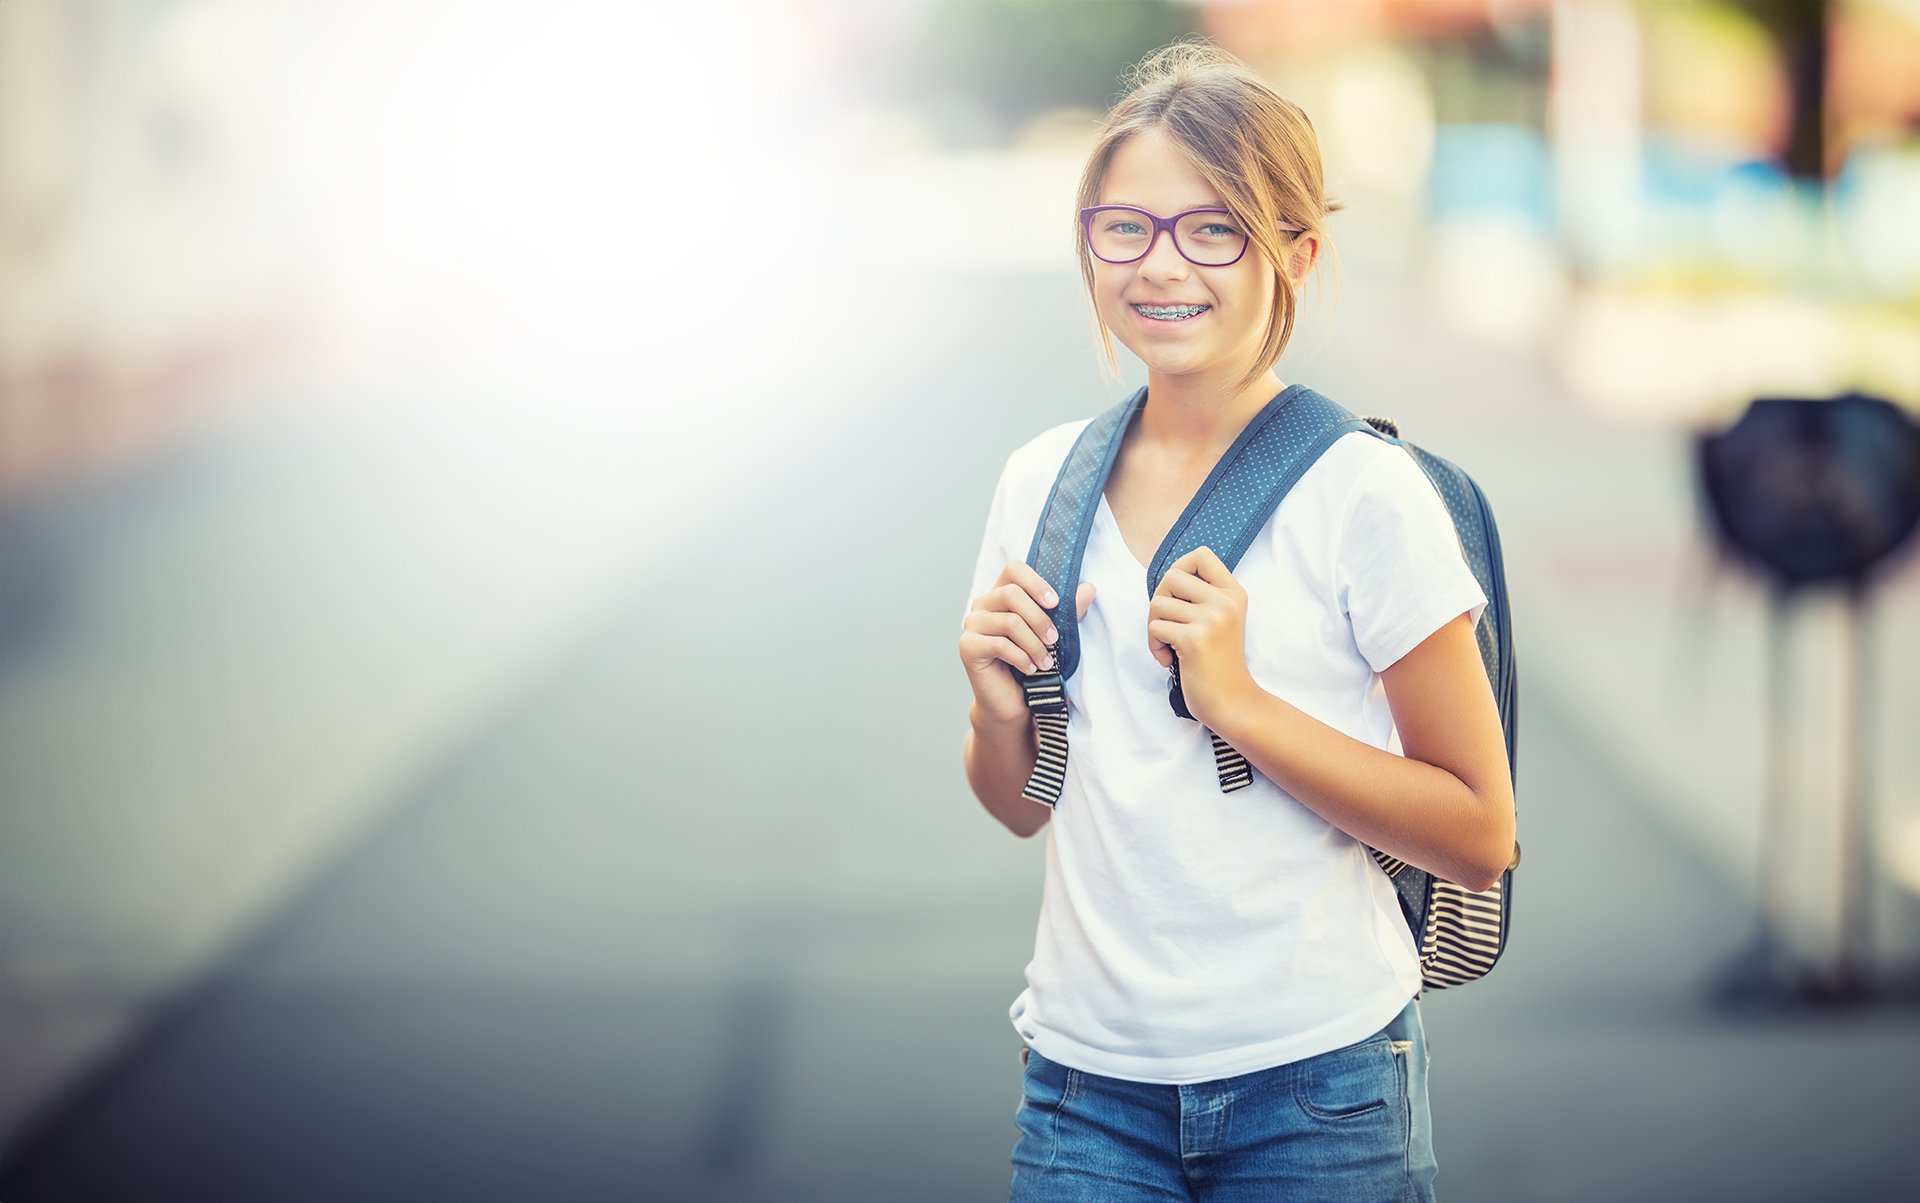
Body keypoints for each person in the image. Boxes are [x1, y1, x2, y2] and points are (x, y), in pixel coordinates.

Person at [957, 43, 1516, 1202]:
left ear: (1296, 253)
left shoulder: (1366, 495)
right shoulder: (1040, 485)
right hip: (1080, 1087)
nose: (1164, 265)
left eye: (1215, 229)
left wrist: (1240, 704)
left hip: (1318, 1089)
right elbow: (1021, 806)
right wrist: (995, 706)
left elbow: (1476, 831)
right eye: (1127, 228)